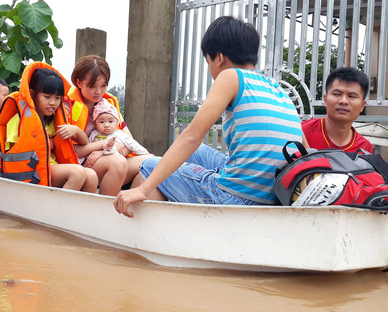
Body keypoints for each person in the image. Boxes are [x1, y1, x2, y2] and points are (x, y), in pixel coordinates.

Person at [114, 16, 303, 218]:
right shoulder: (276, 88)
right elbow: (301, 145)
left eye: (208, 61)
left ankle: (136, 223)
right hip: (272, 195)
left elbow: (191, 136)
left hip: (235, 197)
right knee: (199, 152)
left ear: (219, 57)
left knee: (149, 166)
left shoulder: (230, 76)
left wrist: (143, 189)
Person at [0, 62, 98, 192]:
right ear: (32, 94)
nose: (53, 103)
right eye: (47, 97)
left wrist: (75, 130)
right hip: (31, 171)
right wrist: (51, 142)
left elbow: (84, 142)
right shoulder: (19, 119)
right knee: (77, 173)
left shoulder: (54, 120)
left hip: (51, 167)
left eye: (57, 98)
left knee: (92, 176)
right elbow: (15, 151)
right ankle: (57, 211)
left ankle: (78, 211)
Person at [67, 55, 149, 195]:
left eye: (103, 85)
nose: (99, 92)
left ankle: (128, 203)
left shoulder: (109, 104)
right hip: (80, 166)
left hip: (109, 156)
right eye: (92, 86)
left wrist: (104, 150)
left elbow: (129, 142)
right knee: (117, 162)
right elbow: (68, 151)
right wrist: (102, 145)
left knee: (151, 162)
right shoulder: (67, 106)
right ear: (78, 83)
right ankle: (104, 208)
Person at [302, 66, 374, 153]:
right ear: (325, 100)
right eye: (337, 94)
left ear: (362, 106)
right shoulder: (301, 133)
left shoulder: (364, 148)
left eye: (352, 96)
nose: (343, 101)